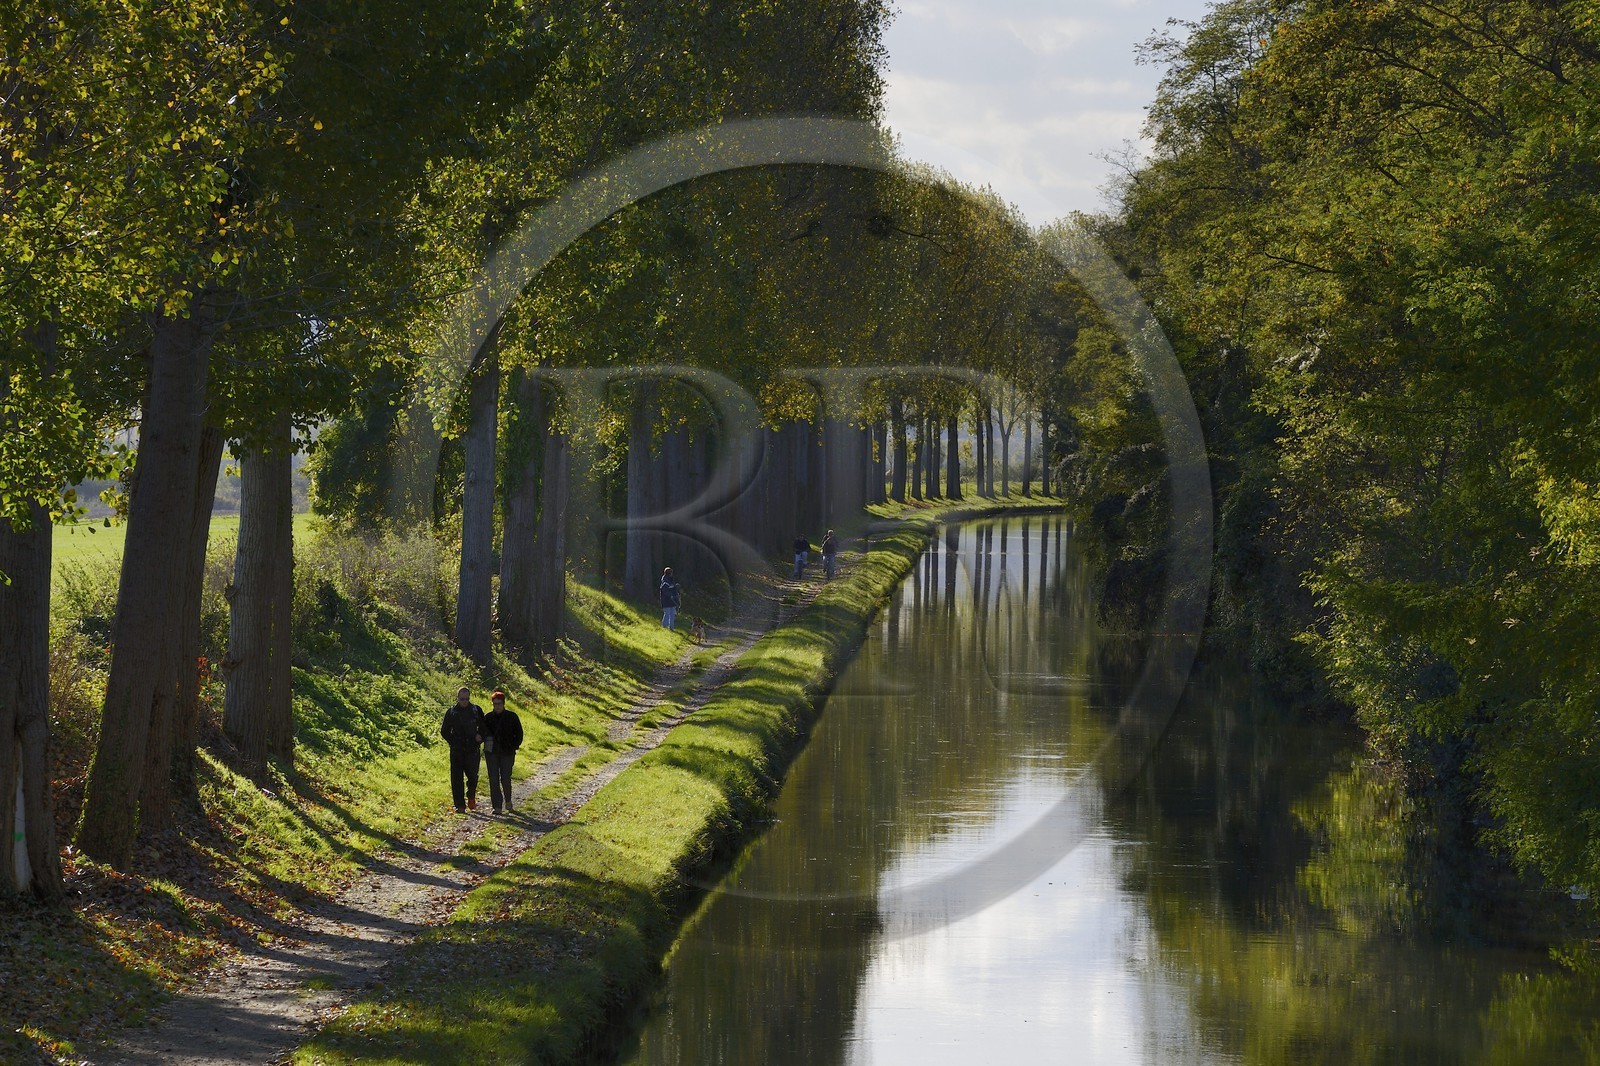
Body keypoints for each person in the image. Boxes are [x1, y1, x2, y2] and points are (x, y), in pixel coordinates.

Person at [440, 687, 486, 812]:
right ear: (458, 698)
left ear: (469, 698)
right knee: (456, 779)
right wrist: (453, 742)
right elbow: (444, 731)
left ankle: (471, 795)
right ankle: (460, 805)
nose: (464, 701)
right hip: (457, 751)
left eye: (466, 699)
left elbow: (484, 727)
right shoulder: (452, 712)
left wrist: (479, 736)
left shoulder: (476, 710)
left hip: (472, 749)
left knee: (473, 777)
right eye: (462, 699)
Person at [482, 690, 523, 815]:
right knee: (493, 779)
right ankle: (497, 806)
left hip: (507, 753)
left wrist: (514, 746)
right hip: (492, 753)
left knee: (505, 778)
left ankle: (508, 801)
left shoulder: (512, 717)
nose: (497, 706)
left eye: (499, 703)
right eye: (494, 703)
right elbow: (483, 732)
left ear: (503, 703)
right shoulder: (487, 718)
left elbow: (519, 734)